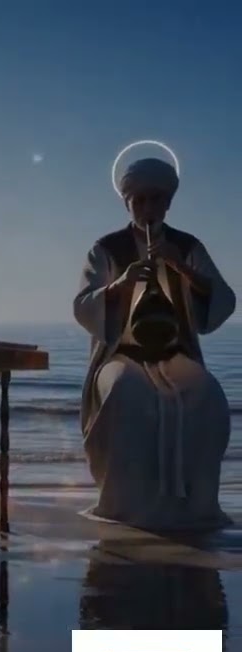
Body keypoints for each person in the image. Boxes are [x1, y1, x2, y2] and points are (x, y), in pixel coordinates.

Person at [73, 157, 235, 530]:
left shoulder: (187, 246)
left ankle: (194, 507)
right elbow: (84, 307)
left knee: (206, 394)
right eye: (140, 200)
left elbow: (223, 301)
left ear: (168, 202)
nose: (148, 208)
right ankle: (125, 506)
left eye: (156, 199)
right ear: (128, 202)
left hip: (174, 353)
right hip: (123, 354)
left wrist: (184, 269)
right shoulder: (107, 248)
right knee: (124, 392)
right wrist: (122, 284)